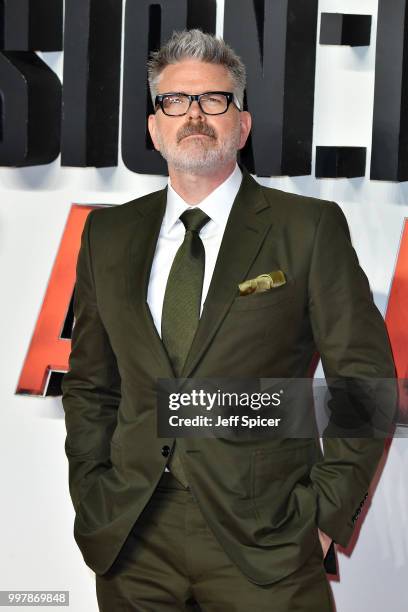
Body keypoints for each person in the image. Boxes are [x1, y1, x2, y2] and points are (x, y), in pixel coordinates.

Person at [62, 29, 396, 611]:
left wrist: (319, 521)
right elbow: (92, 385)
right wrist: (93, 496)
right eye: (175, 101)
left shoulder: (307, 229)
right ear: (153, 127)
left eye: (214, 100)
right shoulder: (106, 236)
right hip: (134, 542)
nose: (194, 114)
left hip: (268, 542)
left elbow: (364, 384)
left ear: (241, 124)